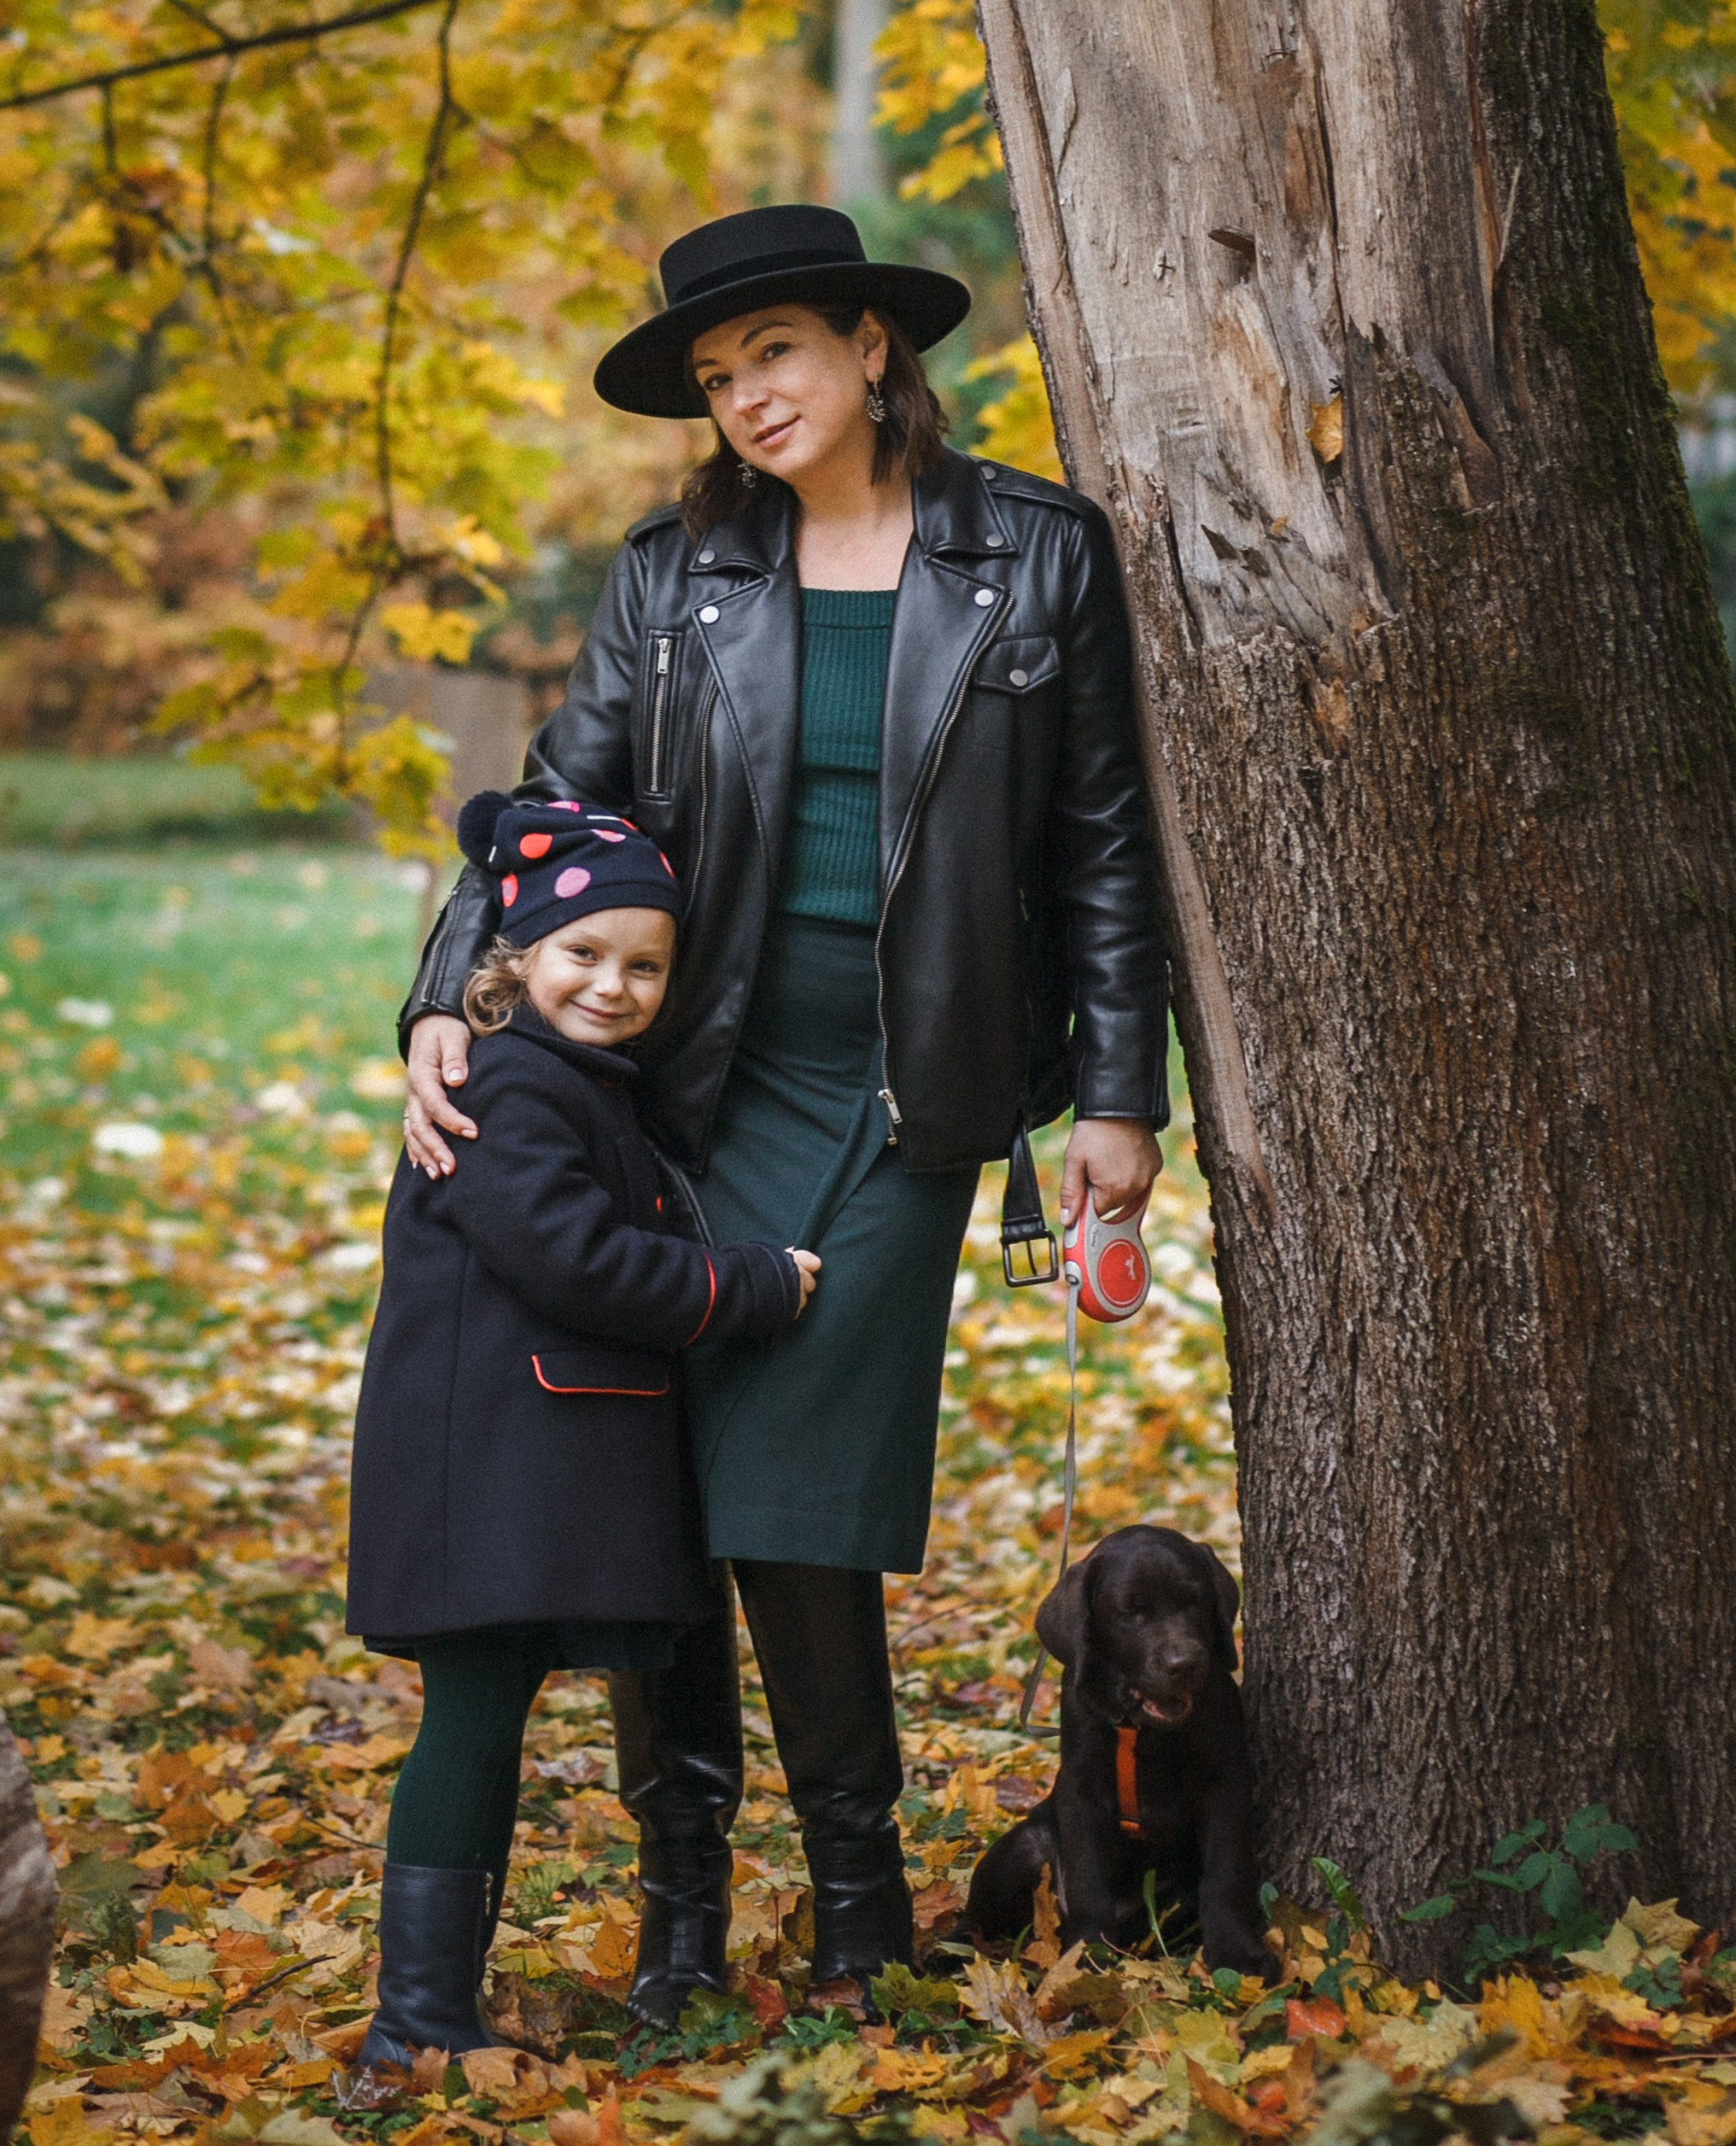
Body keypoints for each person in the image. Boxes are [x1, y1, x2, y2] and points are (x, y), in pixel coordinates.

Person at [396, 202, 1171, 2021]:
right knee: (655, 1487)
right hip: (682, 1092)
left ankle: (853, 1904)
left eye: (779, 355)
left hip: (918, 1094)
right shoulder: (674, 578)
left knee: (796, 1496)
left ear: (870, 350)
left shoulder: (1035, 557)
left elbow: (1106, 843)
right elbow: (548, 803)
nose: (749, 398)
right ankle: (681, 1912)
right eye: (718, 376)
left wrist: (1123, 1099)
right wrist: (444, 998)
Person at [346, 792, 818, 2078]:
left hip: (531, 1463)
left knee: (490, 1711)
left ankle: (437, 2006)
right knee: (473, 1713)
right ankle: (415, 2017)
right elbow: (574, 1259)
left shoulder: (578, 1081)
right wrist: (744, 1286)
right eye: (583, 956)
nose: (613, 985)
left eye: (645, 964)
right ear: (514, 960)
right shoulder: (507, 1084)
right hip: (484, 1465)